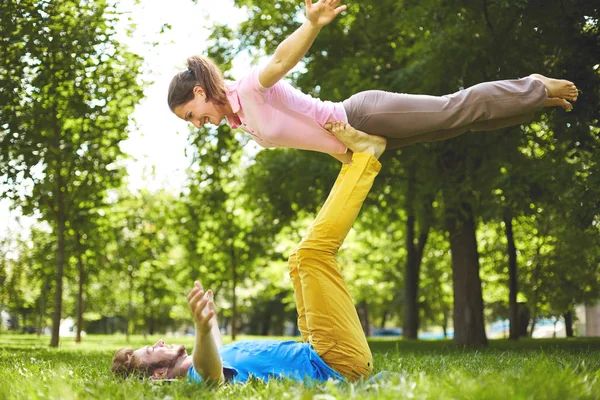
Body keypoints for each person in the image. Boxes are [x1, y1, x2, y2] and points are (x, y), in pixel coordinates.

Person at [111, 124, 387, 384]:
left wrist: (211, 320)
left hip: (318, 350)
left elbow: (215, 351)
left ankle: (354, 163)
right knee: (312, 255)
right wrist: (202, 330)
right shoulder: (199, 373)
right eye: (150, 351)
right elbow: (212, 372)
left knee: (297, 261)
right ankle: (365, 159)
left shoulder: (210, 356)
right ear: (159, 374)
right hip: (335, 362)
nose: (159, 342)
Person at [167, 0, 579, 164]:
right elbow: (314, 137)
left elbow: (280, 60)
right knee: (458, 125)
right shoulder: (245, 125)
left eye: (192, 114)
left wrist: (311, 24)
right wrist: (349, 161)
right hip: (361, 142)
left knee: (454, 107)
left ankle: (535, 85)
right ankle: (534, 101)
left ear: (200, 92)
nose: (197, 123)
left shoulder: (249, 90)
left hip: (363, 113)